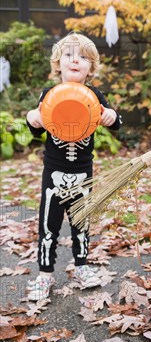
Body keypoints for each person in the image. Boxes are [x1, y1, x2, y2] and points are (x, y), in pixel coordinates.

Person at [26, 32, 122, 301]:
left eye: (83, 57)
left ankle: (82, 267)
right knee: (48, 226)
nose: (75, 60)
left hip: (82, 174)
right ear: (58, 63)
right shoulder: (49, 94)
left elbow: (117, 124)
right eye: (69, 55)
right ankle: (45, 274)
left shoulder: (95, 95)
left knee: (82, 224)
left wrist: (112, 116)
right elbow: (33, 126)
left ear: (91, 67)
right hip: (53, 175)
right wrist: (32, 118)